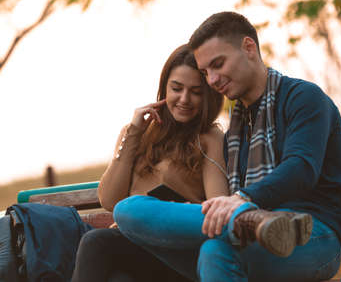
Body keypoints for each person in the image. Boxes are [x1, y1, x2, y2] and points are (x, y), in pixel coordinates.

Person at [113, 11, 341, 282]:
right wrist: (238, 210)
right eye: (206, 72)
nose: (212, 80)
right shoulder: (237, 127)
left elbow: (301, 169)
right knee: (127, 210)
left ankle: (248, 220)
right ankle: (248, 221)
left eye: (218, 64)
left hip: (313, 236)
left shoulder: (303, 98)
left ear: (249, 47)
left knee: (217, 251)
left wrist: (243, 199)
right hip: (245, 240)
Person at [71, 44, 228, 282]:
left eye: (196, 91)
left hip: (177, 251)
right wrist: (133, 133)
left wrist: (182, 209)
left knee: (95, 241)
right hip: (134, 246)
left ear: (208, 94)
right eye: (177, 88)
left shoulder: (209, 138)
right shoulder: (139, 133)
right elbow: (110, 200)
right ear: (164, 86)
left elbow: (217, 205)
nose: (184, 99)